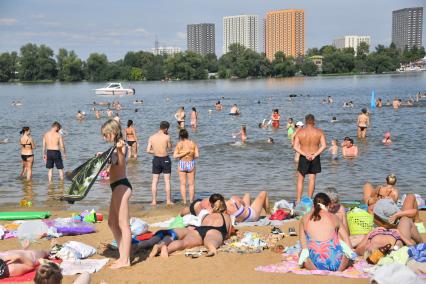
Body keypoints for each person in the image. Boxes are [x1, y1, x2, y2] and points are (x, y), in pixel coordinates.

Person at [101, 119, 132, 269]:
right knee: (112, 223)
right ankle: (122, 255)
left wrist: (118, 151)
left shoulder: (122, 146)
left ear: (113, 133)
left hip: (122, 186)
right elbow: (114, 163)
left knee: (123, 224)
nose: (104, 138)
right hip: (116, 186)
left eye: (106, 134)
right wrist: (104, 157)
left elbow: (121, 163)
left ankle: (125, 260)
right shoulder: (116, 146)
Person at [161, 194, 231, 257]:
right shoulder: (227, 217)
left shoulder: (205, 215)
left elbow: (201, 224)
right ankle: (212, 248)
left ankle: (167, 249)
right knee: (211, 240)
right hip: (215, 230)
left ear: (212, 206)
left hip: (200, 230)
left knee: (184, 243)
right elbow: (228, 233)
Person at [299, 193, 351, 271]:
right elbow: (348, 243)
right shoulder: (334, 217)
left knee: (301, 254)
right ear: (329, 204)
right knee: (347, 253)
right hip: (336, 264)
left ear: (313, 205)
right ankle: (339, 269)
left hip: (316, 264)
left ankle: (314, 268)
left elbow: (304, 248)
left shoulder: (304, 218)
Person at [293, 114, 327, 203]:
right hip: (314, 156)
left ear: (305, 121)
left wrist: (304, 154)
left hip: (304, 157)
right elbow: (324, 146)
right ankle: (309, 200)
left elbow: (295, 146)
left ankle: (298, 200)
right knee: (312, 179)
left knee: (301, 179)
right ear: (314, 121)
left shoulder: (300, 132)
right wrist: (314, 155)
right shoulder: (319, 132)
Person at [147, 121, 173, 206]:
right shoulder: (167, 137)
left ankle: (154, 201)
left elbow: (148, 150)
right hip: (165, 159)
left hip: (156, 159)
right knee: (167, 181)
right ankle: (168, 201)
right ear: (166, 129)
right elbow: (170, 148)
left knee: (154, 181)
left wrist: (155, 151)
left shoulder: (152, 137)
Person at [173, 129, 199, 204]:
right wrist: (189, 153)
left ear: (180, 136)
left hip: (182, 163)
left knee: (182, 184)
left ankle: (184, 201)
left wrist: (183, 153)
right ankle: (191, 201)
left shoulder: (179, 144)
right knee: (191, 184)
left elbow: (175, 156)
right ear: (187, 135)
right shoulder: (193, 143)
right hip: (191, 163)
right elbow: (197, 155)